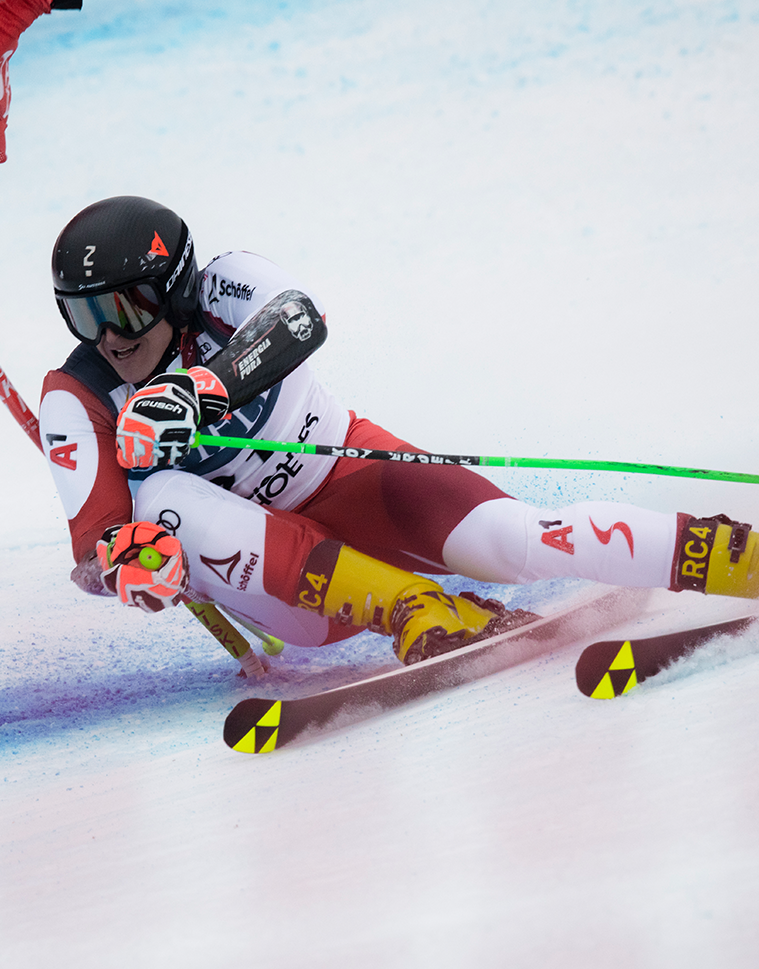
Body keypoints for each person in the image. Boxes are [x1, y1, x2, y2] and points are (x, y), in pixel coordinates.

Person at [39, 195, 758, 665]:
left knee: (513, 538)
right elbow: (97, 547)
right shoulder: (76, 395)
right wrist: (131, 564)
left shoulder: (224, 283)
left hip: (355, 477)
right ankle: (414, 606)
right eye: (82, 316)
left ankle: (727, 555)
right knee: (164, 495)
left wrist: (204, 389)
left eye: (124, 310)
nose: (108, 336)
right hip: (290, 588)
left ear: (174, 287)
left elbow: (298, 320)